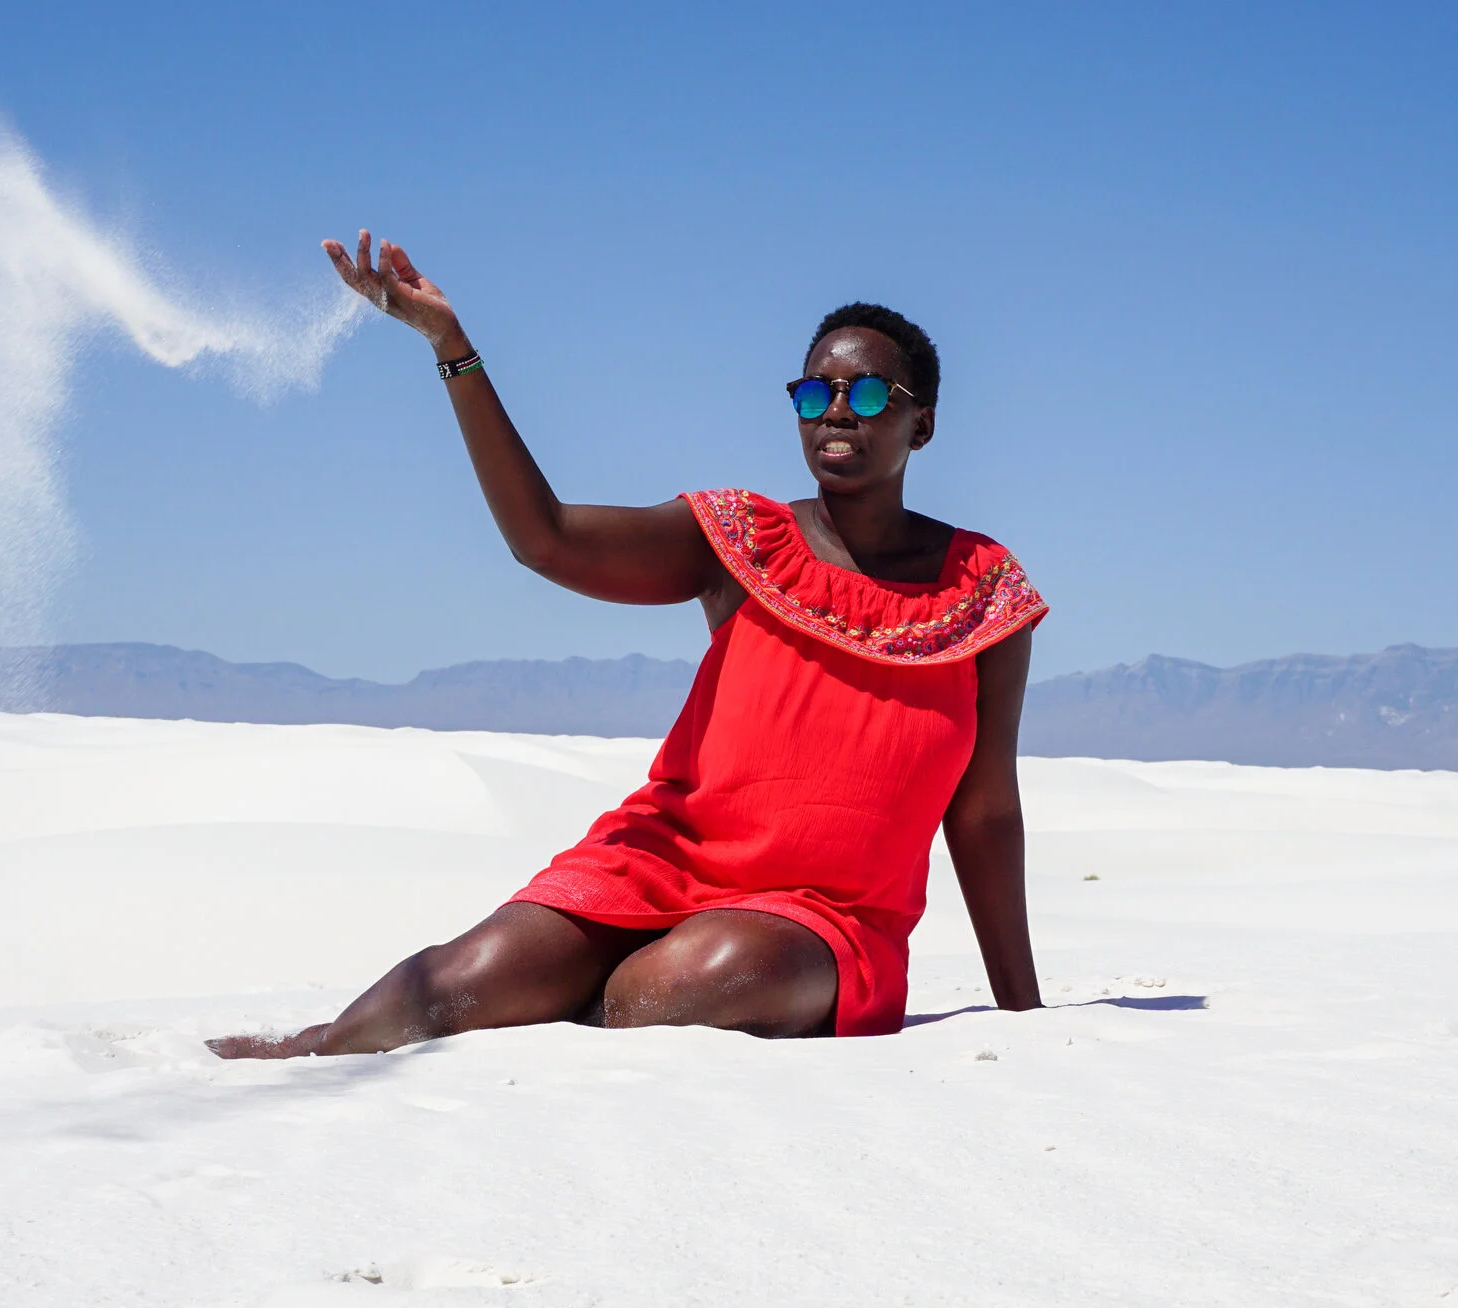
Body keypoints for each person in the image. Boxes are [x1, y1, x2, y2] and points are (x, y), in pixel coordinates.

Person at [209, 232, 1046, 1058]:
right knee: (460, 977)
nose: (834, 411)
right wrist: (453, 348)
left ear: (922, 423)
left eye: (867, 395)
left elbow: (984, 812)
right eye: (812, 392)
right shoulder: (738, 540)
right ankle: (311, 1052)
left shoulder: (981, 588)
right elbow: (545, 538)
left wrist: (1024, 1014)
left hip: (824, 922)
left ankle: (566, 1013)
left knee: (701, 975)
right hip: (657, 865)